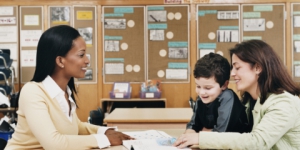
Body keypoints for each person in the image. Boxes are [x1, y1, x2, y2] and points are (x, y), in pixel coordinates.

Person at [5, 25, 133, 150]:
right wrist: (105, 140)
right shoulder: (33, 91)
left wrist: (105, 131)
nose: (87, 60)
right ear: (60, 61)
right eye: (81, 55)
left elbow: (76, 127)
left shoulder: (64, 92)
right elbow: (54, 144)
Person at [174, 40, 300, 149]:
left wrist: (201, 138)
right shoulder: (249, 102)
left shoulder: (283, 102)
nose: (232, 73)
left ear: (258, 68)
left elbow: (257, 142)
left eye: (237, 68)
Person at [185, 53, 249, 134]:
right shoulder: (201, 98)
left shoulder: (227, 97)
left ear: (224, 85)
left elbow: (221, 133)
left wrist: (201, 133)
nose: (201, 92)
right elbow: (193, 125)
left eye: (208, 88)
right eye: (198, 86)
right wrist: (189, 134)